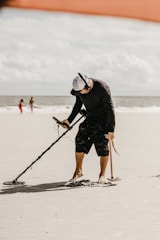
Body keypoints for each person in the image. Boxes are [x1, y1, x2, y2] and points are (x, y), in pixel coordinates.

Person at [62, 73, 115, 184]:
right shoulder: (79, 90)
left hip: (103, 120)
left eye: (81, 92)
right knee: (79, 140)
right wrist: (69, 120)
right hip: (90, 118)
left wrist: (111, 130)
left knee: (102, 146)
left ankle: (102, 176)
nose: (80, 94)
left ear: (88, 87)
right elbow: (78, 105)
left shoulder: (102, 88)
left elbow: (110, 108)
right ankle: (78, 171)